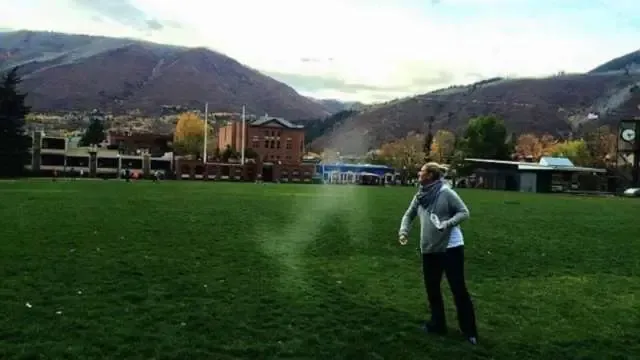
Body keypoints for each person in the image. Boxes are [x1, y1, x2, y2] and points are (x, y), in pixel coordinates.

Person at [398, 162, 478, 345]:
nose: (419, 174)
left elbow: (464, 213)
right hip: (430, 248)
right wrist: (403, 231)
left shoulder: (446, 193)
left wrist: (447, 224)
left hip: (451, 248)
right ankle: (437, 324)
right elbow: (409, 215)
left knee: (458, 290)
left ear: (431, 176)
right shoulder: (420, 196)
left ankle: (469, 331)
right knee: (432, 289)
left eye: (422, 172)